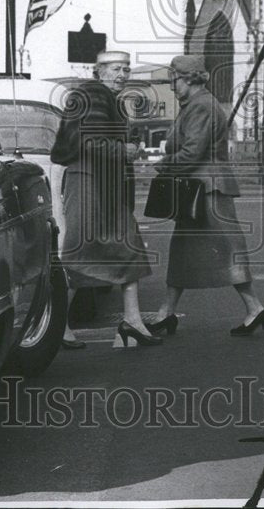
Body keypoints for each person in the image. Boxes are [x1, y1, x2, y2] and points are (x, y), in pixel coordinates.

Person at [148, 55, 264, 337]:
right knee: (185, 250)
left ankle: (254, 308)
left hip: (208, 189)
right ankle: (167, 311)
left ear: (189, 78)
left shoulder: (201, 105)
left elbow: (193, 152)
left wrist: (164, 163)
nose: (172, 86)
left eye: (174, 80)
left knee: (225, 251)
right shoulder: (195, 104)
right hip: (200, 188)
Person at [50, 50, 161, 348]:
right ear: (98, 71)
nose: (122, 75)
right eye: (115, 69)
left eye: (126, 69)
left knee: (129, 248)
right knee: (81, 254)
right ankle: (54, 326)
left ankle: (132, 322)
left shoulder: (105, 98)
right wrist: (123, 150)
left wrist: (130, 143)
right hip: (87, 183)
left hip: (104, 186)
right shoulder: (93, 94)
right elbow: (89, 141)